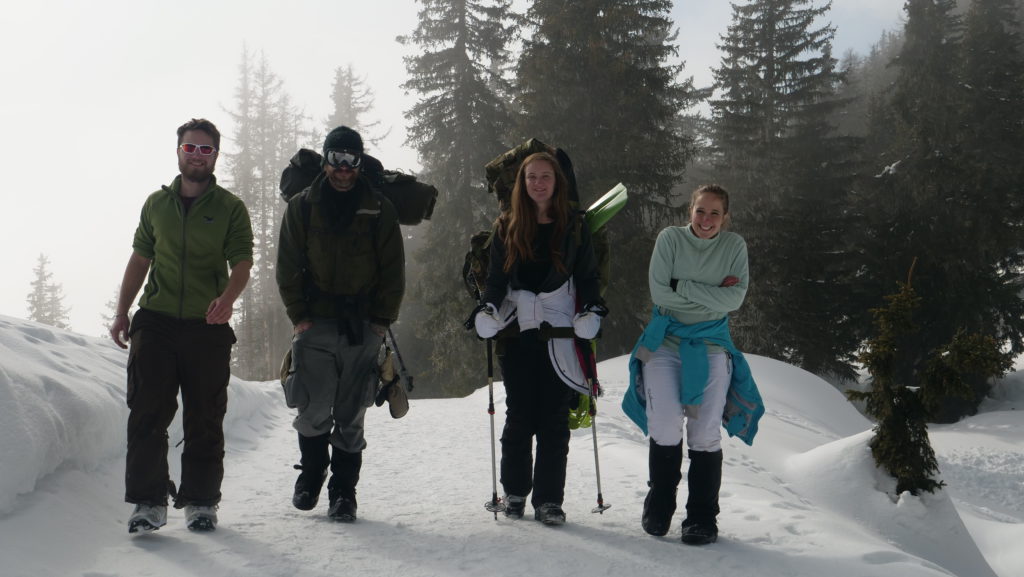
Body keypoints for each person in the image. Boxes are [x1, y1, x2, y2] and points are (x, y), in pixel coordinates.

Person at [109, 118, 254, 534]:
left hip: (206, 325)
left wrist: (226, 301)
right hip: (155, 322)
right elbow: (140, 259)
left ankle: (202, 502)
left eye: (206, 150)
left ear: (215, 157)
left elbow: (242, 262)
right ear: (178, 152)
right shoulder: (156, 205)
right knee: (147, 412)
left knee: (205, 415)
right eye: (190, 148)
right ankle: (148, 504)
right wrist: (123, 311)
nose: (197, 156)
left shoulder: (229, 208)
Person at [621, 184, 764, 545]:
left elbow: (734, 299)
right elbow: (659, 293)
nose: (706, 220)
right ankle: (660, 504)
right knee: (666, 424)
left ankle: (701, 517)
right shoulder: (670, 239)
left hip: (711, 345)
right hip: (665, 343)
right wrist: (710, 294)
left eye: (715, 213)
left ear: (725, 217)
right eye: (701, 211)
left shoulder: (734, 247)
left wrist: (681, 284)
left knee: (704, 432)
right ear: (690, 211)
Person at [276, 126, 405, 522]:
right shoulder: (302, 206)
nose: (344, 168)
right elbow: (287, 266)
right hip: (314, 323)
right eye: (336, 158)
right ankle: (311, 476)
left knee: (351, 412)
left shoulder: (379, 208)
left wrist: (381, 322)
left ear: (360, 162)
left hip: (362, 325)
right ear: (326, 159)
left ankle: (344, 493)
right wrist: (299, 318)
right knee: (313, 408)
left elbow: (392, 270)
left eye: (352, 160)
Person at [474, 151, 606, 526]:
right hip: (517, 335)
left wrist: (592, 311)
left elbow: (588, 278)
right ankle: (515, 493)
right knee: (519, 416)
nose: (538, 183)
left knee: (553, 420)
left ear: (556, 182)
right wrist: (487, 310)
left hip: (562, 334)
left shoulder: (575, 227)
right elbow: (498, 282)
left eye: (545, 176)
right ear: (522, 182)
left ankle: (549, 501)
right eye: (531, 177)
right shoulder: (506, 227)